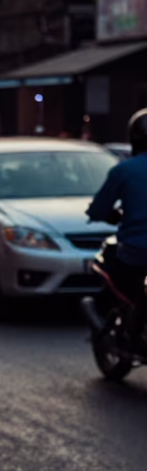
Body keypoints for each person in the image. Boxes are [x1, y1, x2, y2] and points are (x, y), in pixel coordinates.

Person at [87, 108, 147, 332]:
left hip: (135, 251)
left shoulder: (124, 171)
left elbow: (98, 209)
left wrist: (107, 215)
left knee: (115, 270)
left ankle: (108, 314)